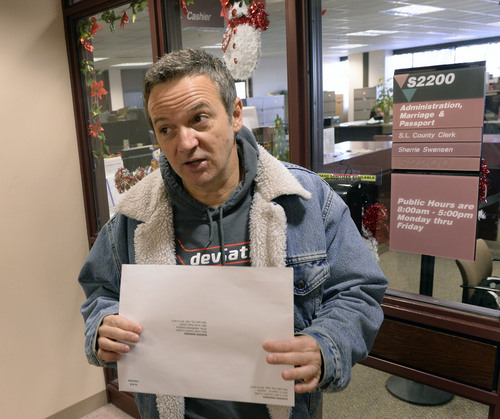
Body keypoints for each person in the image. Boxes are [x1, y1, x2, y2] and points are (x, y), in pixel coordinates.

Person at [79, 49, 388, 419]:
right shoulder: (134, 216)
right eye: (166, 129)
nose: (185, 143)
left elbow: (358, 290)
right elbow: (101, 292)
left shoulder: (305, 200)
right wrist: (102, 326)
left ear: (235, 115)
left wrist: (325, 345)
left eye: (199, 119)